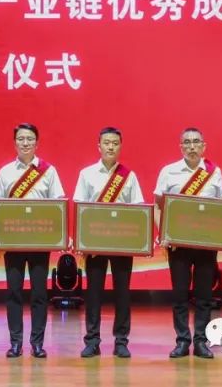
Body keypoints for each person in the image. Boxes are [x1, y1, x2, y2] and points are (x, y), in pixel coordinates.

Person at [0, 123, 65, 359]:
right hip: (13, 241)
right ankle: (15, 343)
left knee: (39, 293)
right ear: (15, 143)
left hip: (40, 241)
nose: (25, 143)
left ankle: (37, 343)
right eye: (21, 139)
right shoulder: (5, 172)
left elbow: (58, 203)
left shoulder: (48, 171)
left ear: (36, 143)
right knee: (14, 292)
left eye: (30, 139)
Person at [73, 127, 145, 359]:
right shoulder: (87, 174)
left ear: (120, 147)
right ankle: (92, 341)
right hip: (95, 243)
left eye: (115, 143)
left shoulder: (129, 176)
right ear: (99, 146)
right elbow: (80, 207)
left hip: (122, 243)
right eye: (106, 142)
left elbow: (138, 209)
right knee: (94, 293)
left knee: (122, 293)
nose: (110, 147)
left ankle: (121, 341)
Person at [154, 127, 222, 359]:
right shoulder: (169, 171)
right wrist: (164, 234)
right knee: (180, 295)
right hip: (179, 245)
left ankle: (201, 342)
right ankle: (182, 341)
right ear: (180, 146)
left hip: (206, 245)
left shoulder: (214, 172)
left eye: (196, 142)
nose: (192, 146)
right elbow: (157, 207)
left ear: (204, 146)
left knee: (204, 296)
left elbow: (221, 208)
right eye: (187, 142)